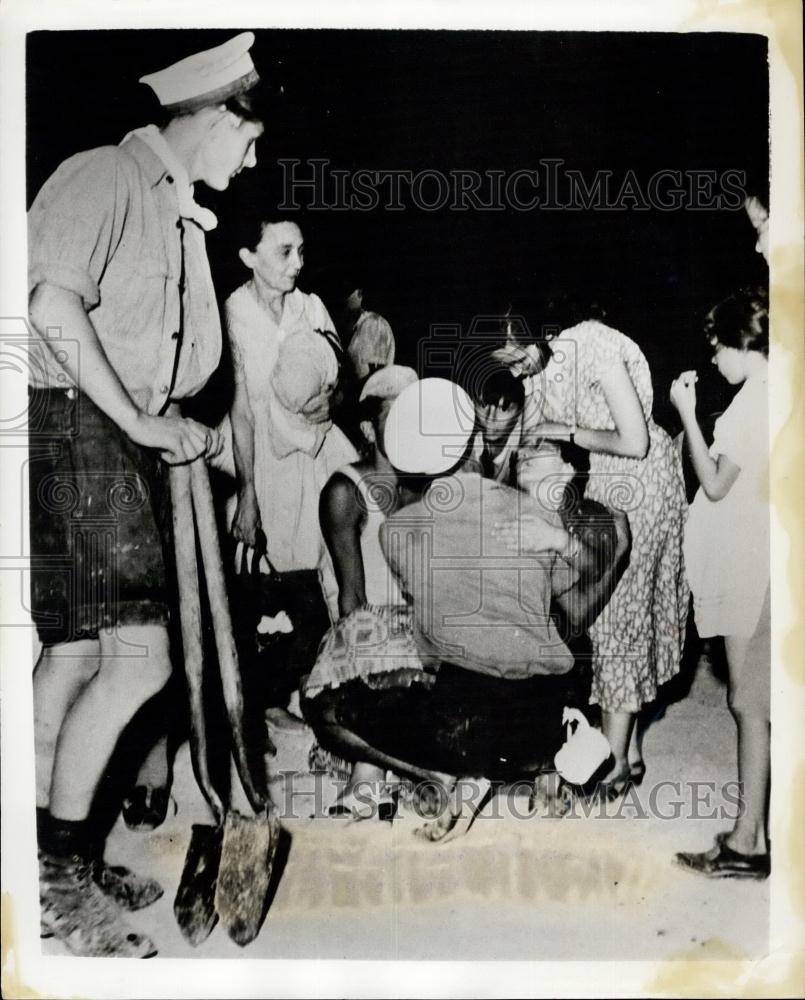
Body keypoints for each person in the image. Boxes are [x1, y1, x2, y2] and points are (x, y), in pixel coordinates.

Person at [27, 33, 265, 956]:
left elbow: (176, 356)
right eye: (249, 141)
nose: (253, 161)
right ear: (212, 119)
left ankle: (56, 854)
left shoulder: (176, 213)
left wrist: (175, 425)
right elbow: (50, 306)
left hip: (107, 433)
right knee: (144, 658)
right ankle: (55, 878)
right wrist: (139, 422)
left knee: (82, 655)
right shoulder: (105, 175)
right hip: (76, 427)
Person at [304, 380, 632, 840]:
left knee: (324, 706)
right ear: (476, 441)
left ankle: (437, 775)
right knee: (556, 631)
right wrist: (605, 551)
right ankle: (550, 754)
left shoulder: (395, 532)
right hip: (535, 728)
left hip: (455, 725)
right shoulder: (531, 514)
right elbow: (576, 608)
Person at [498, 301, 689, 796]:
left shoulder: (592, 344)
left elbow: (634, 441)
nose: (518, 372)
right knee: (618, 613)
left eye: (518, 358)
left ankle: (617, 763)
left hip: (642, 479)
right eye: (508, 367)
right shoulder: (541, 367)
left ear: (534, 331)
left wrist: (565, 432)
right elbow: (527, 437)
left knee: (619, 617)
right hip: (609, 479)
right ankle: (632, 748)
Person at [225, 215, 358, 722]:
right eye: (284, 252)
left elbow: (340, 380)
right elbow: (240, 410)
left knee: (334, 571)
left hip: (318, 453)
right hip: (264, 462)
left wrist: (333, 401)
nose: (298, 264)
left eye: (301, 251)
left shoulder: (311, 307)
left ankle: (323, 691)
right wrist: (248, 494)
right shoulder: (232, 315)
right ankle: (272, 699)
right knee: (275, 580)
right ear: (248, 256)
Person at [670, 286, 770, 878]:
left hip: (749, 565)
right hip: (758, 557)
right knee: (755, 700)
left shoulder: (752, 403)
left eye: (716, 348)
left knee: (748, 703)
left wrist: (685, 409)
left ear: (741, 343)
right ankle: (750, 833)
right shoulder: (769, 394)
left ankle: (746, 843)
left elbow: (713, 483)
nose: (712, 361)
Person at [305, 364, 421, 819]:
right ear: (370, 430)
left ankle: (388, 766)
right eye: (397, 418)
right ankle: (370, 775)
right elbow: (351, 601)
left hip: (418, 624)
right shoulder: (344, 490)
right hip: (368, 626)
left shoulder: (429, 485)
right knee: (377, 647)